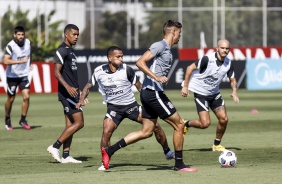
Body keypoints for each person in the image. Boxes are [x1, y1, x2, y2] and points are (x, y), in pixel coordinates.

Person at [99, 20, 198, 172]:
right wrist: (156, 77)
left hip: (149, 92)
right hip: (153, 93)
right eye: (179, 33)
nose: (179, 36)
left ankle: (110, 150)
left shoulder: (166, 48)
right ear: (173, 32)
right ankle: (179, 164)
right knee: (179, 125)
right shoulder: (160, 45)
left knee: (146, 132)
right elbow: (140, 62)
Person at [77, 46, 175, 171]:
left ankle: (167, 151)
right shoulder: (99, 71)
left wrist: (149, 104)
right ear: (110, 58)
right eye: (118, 57)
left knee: (155, 126)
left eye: (122, 56)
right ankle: (105, 161)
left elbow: (140, 87)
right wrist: (81, 100)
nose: (121, 59)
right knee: (106, 131)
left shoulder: (127, 70)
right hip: (114, 109)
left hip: (131, 106)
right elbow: (87, 87)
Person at [181, 39, 239, 152]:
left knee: (224, 119)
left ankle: (216, 145)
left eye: (227, 48)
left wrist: (234, 92)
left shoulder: (228, 63)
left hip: (214, 94)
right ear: (217, 48)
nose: (225, 50)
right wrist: (185, 86)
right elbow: (189, 68)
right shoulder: (207, 59)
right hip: (201, 93)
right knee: (205, 124)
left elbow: (233, 79)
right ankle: (185, 123)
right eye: (222, 48)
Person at [47, 24, 87, 163]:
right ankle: (55, 146)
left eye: (77, 34)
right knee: (79, 122)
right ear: (66, 35)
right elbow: (56, 72)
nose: (76, 37)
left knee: (70, 124)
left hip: (73, 93)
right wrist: (68, 87)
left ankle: (66, 155)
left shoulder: (71, 51)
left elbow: (70, 75)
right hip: (66, 94)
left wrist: (79, 92)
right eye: (74, 34)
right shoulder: (62, 50)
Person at [3, 26, 32, 130]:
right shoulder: (11, 46)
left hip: (24, 75)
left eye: (22, 34)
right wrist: (20, 61)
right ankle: (7, 118)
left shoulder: (28, 42)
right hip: (12, 76)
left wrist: (30, 63)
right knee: (11, 99)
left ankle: (23, 120)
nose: (21, 37)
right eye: (18, 34)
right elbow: (6, 61)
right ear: (14, 35)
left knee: (26, 97)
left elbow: (29, 54)